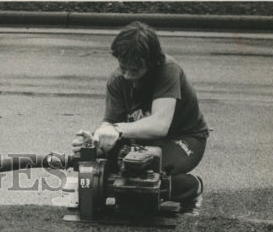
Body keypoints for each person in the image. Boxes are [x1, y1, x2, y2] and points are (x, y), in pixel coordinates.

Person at [74, 21, 210, 212]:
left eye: (135, 70)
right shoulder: (117, 79)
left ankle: (191, 186)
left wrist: (117, 130)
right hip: (142, 140)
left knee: (140, 171)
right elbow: (110, 123)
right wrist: (97, 140)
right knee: (112, 175)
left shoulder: (168, 70)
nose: (127, 75)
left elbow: (159, 125)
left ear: (152, 63)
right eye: (123, 67)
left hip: (184, 139)